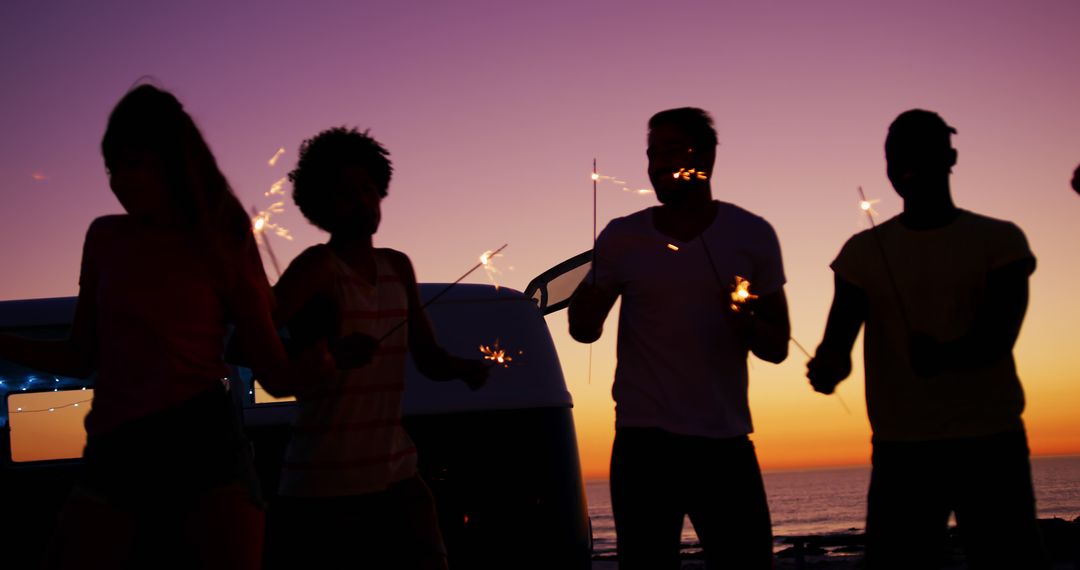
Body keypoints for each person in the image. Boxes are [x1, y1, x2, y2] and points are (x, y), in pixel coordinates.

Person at [0, 84, 332, 569]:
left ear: (173, 162)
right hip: (118, 449)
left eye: (132, 164)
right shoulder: (105, 238)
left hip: (204, 446)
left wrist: (317, 365)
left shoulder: (223, 240)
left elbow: (274, 376)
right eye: (112, 168)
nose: (118, 182)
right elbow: (81, 354)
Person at [806, 109, 1049, 569]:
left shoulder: (1000, 241)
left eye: (920, 153)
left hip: (991, 442)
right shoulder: (861, 253)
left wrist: (946, 355)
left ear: (951, 157)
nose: (906, 165)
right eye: (896, 156)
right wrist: (827, 368)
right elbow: (837, 340)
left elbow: (999, 335)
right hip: (902, 450)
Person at [568, 107, 789, 570]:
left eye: (671, 150)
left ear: (707, 156)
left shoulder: (752, 234)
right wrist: (583, 309)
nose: (656, 164)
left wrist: (744, 322)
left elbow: (778, 347)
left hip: (724, 441)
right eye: (651, 153)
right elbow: (585, 330)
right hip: (644, 445)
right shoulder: (622, 236)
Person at [263, 126, 488, 570]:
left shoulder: (397, 266)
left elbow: (427, 356)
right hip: (324, 484)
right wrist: (326, 356)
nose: (363, 201)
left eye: (368, 188)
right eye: (346, 192)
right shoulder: (315, 268)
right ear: (319, 205)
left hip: (397, 472)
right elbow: (249, 346)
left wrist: (463, 367)